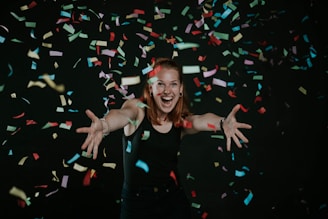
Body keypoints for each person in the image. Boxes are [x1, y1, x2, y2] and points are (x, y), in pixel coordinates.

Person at [76, 57, 252, 219]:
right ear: (150, 88)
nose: (167, 91)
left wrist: (222, 123)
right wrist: (105, 125)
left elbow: (200, 120)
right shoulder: (137, 110)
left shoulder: (180, 122)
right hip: (136, 205)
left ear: (180, 89)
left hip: (172, 202)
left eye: (173, 84)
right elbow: (121, 115)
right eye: (160, 84)